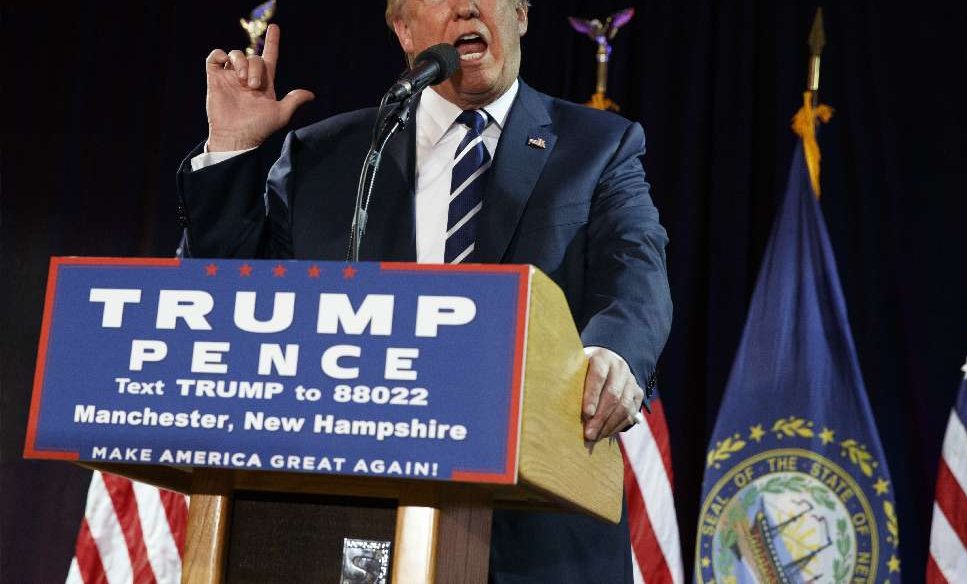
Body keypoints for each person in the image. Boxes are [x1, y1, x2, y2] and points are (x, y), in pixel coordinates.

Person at [177, 0, 672, 581]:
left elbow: (635, 268)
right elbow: (230, 307)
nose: (467, 6)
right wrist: (233, 148)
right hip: (349, 529)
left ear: (520, 14)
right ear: (403, 30)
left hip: (538, 539)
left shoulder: (598, 147)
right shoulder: (325, 157)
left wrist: (615, 352)